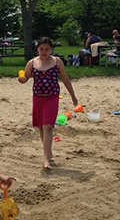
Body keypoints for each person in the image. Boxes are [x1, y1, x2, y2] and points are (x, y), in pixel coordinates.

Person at [19, 39, 79, 170]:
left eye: (47, 49)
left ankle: (45, 159)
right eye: (41, 49)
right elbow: (26, 78)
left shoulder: (57, 62)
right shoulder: (32, 63)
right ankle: (49, 153)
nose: (44, 52)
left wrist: (73, 95)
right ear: (37, 49)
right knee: (41, 127)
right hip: (38, 98)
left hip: (52, 97)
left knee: (48, 126)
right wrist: (22, 80)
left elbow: (65, 78)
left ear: (51, 49)